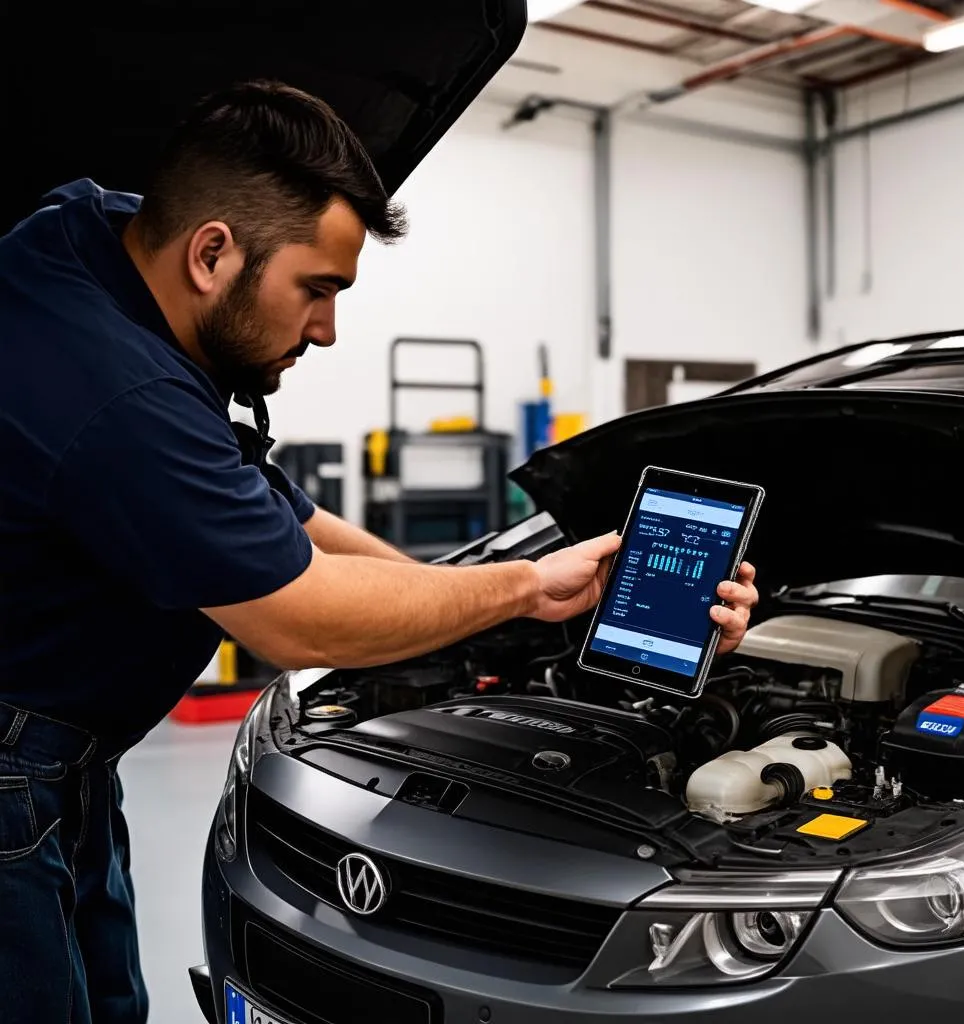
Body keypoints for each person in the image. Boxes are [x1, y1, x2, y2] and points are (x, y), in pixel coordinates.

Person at [0, 80, 759, 1023]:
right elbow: (297, 610)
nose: (326, 329)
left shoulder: (97, 241)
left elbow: (284, 516)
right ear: (211, 255)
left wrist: (509, 600)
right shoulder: (119, 397)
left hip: (61, 763)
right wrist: (520, 588)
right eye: (316, 290)